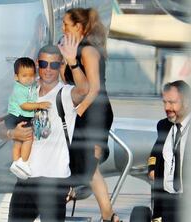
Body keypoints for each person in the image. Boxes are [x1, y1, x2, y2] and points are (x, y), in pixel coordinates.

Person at [6, 44, 88, 222]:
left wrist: (73, 62)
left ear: (60, 66)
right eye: (43, 64)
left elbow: (83, 90)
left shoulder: (64, 94)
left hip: (54, 180)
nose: (48, 69)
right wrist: (12, 134)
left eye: (54, 65)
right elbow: (4, 125)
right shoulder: (26, 94)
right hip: (26, 178)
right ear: (37, 65)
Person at [57, 7, 117, 222]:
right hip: (79, 111)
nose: (62, 27)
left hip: (94, 112)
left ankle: (109, 216)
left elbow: (95, 88)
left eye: (66, 24)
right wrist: (66, 58)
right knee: (75, 160)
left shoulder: (89, 51)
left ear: (79, 27)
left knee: (91, 167)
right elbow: (68, 81)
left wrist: (79, 110)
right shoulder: (73, 50)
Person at [148, 80, 191, 222]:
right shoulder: (164, 126)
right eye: (164, 102)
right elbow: (155, 151)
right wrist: (152, 168)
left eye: (172, 102)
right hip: (167, 201)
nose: (167, 107)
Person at [5, 57, 51, 179]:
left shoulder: (29, 84)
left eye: (31, 75)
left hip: (19, 116)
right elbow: (24, 106)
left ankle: (16, 162)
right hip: (18, 116)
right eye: (24, 76)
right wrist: (39, 105)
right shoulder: (19, 89)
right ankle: (23, 163)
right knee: (28, 139)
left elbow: (38, 81)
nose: (29, 78)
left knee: (18, 141)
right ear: (16, 77)